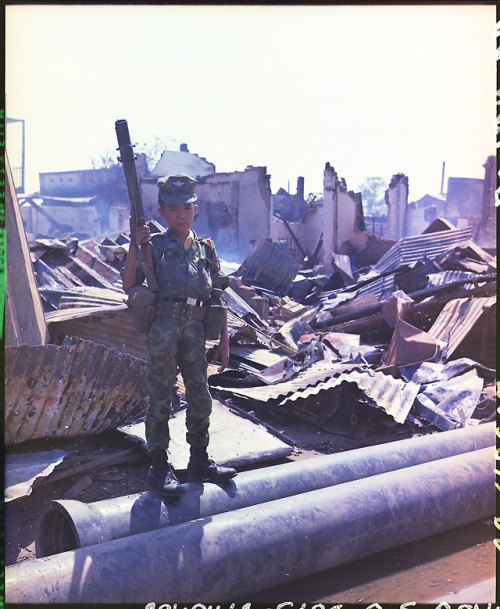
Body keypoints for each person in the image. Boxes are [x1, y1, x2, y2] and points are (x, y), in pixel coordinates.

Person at [122, 173, 237, 495]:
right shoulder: (153, 246)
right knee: (160, 397)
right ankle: (160, 468)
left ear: (195, 209)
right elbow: (129, 285)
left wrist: (224, 341)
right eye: (173, 209)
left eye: (186, 207)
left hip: (196, 331)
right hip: (163, 329)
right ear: (162, 213)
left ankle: (199, 460)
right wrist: (135, 243)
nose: (180, 214)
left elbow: (218, 295)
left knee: (200, 396)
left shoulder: (205, 249)